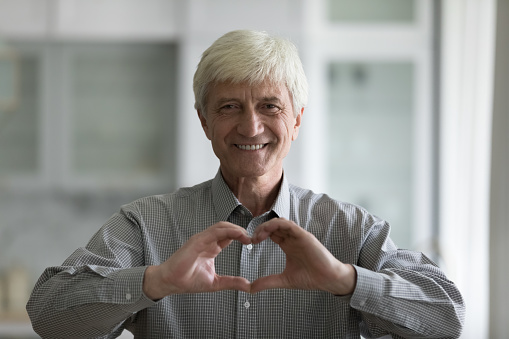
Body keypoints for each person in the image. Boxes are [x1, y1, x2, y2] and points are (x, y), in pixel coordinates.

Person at [26, 30, 465, 339]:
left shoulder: (352, 230)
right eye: (230, 106)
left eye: (269, 105)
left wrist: (346, 280)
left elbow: (448, 314)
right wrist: (154, 281)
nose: (251, 126)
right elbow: (48, 313)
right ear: (204, 122)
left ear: (296, 120)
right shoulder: (145, 224)